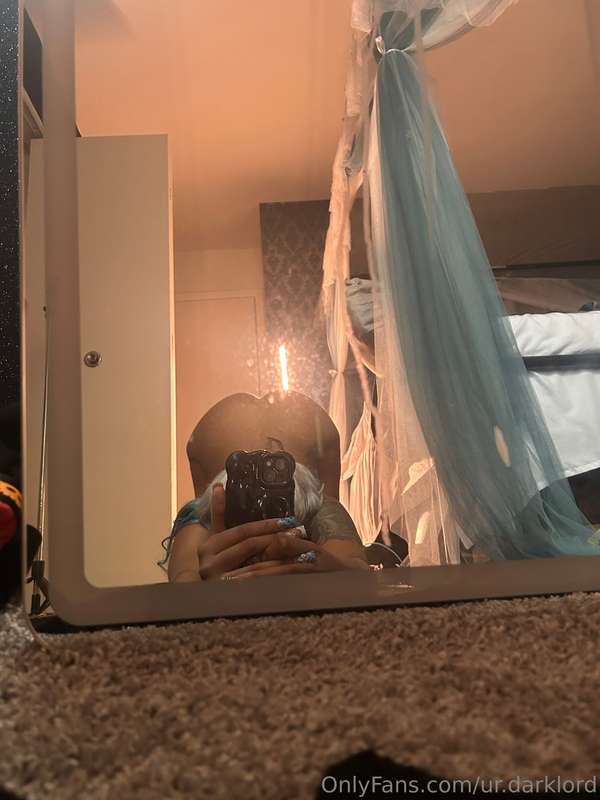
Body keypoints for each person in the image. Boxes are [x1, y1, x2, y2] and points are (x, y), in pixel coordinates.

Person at [161, 391, 368, 581]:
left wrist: (325, 566)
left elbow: (356, 567)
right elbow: (185, 581)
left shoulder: (319, 506)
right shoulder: (201, 517)